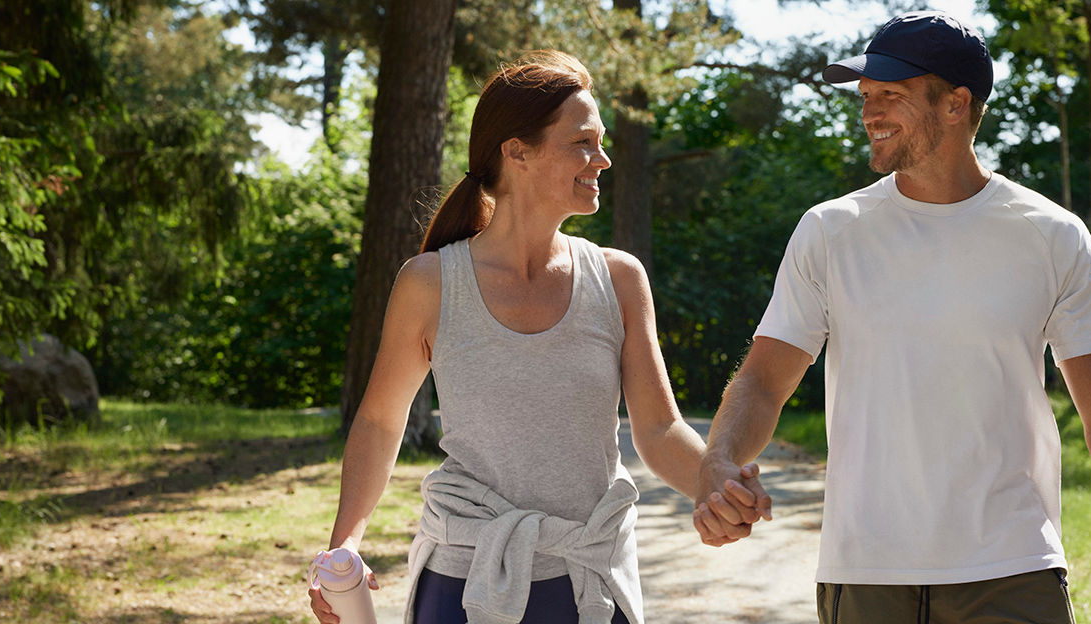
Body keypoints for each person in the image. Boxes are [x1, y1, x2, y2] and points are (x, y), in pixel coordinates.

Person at [693, 11, 1091, 624]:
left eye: (890, 95)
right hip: (866, 573)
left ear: (956, 103)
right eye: (866, 96)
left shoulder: (1052, 237)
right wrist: (718, 460)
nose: (869, 113)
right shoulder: (830, 232)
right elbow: (765, 381)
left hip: (1013, 569)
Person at [307, 50, 768, 624]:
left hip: (589, 584)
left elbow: (657, 428)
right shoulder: (431, 283)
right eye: (582, 142)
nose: (602, 159)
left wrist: (715, 483)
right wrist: (344, 544)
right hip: (463, 580)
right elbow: (380, 421)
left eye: (601, 142)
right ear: (517, 152)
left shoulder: (619, 279)